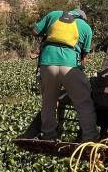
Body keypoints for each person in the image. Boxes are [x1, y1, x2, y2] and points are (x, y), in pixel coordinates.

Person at [33, 8, 99, 142]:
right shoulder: (86, 27)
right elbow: (83, 57)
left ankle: (48, 136)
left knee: (48, 102)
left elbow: (35, 31)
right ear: (83, 18)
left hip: (48, 63)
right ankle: (89, 139)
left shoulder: (54, 14)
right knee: (83, 103)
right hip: (70, 66)